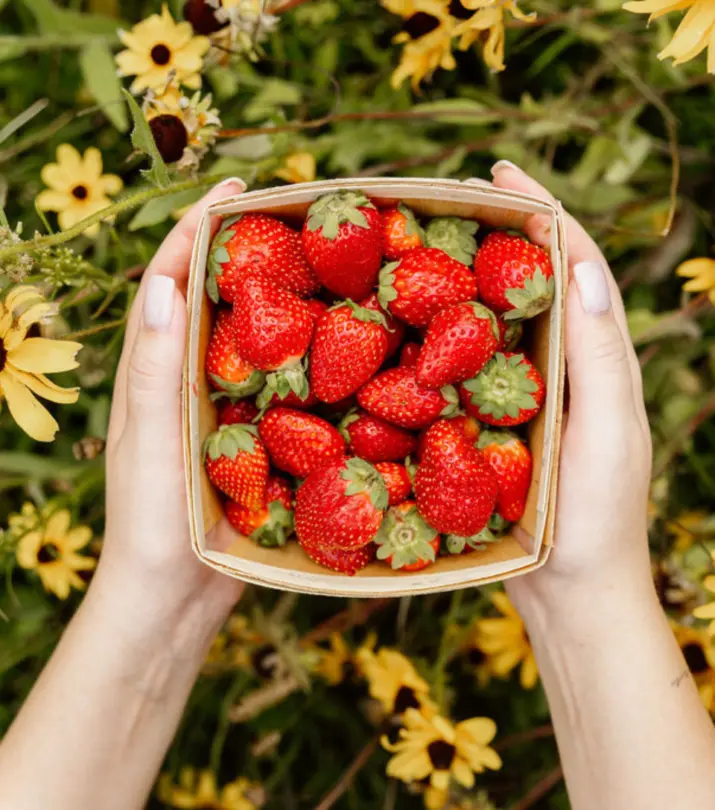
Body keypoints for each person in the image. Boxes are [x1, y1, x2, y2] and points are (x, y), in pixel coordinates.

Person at [0, 165, 714, 810]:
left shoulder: (367, 361)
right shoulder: (405, 367)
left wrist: (151, 597)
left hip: (366, 392)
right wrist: (590, 598)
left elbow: (394, 383)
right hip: (383, 389)